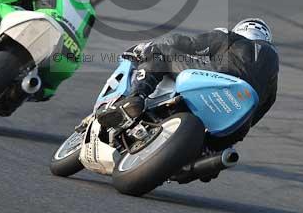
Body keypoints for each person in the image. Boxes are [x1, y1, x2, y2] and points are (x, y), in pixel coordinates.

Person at [96, 18, 279, 148]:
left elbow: (187, 43)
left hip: (217, 82)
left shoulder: (231, 38)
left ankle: (136, 98)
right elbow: (265, 105)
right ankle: (206, 159)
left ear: (243, 30)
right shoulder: (273, 66)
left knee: (162, 51)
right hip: (236, 122)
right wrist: (236, 132)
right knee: (213, 149)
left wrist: (151, 46)